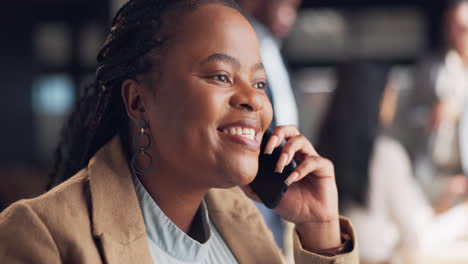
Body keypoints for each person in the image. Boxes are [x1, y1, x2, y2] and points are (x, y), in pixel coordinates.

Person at [0, 0, 358, 263]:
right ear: (138, 102)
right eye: (221, 76)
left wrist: (320, 226)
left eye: (260, 82)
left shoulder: (240, 222)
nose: (254, 100)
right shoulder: (38, 233)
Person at [317, 61, 468, 264]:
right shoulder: (385, 154)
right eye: (390, 92)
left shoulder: (321, 153)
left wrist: (440, 207)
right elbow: (418, 237)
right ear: (376, 98)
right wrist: (462, 215)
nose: (394, 99)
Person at [237, 0, 301, 250]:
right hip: (252, 169)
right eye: (285, 4)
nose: (291, 16)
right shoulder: (238, 38)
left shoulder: (274, 50)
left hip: (279, 172)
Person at [403, 0, 468, 197]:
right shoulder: (430, 68)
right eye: (454, 26)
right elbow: (408, 118)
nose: (460, 33)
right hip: (437, 178)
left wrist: (458, 111)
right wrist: (432, 115)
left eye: (464, 27)